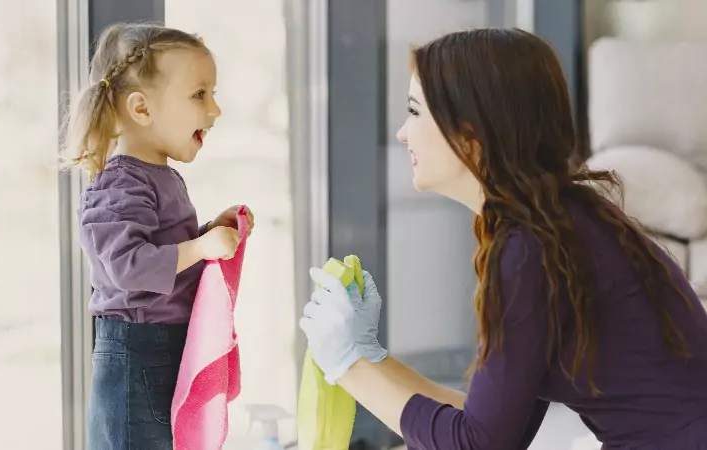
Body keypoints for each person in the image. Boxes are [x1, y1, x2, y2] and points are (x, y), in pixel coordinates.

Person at [299, 28, 707, 449]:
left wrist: (347, 363)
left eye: (415, 111)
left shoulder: (530, 251)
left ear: (471, 135)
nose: (403, 133)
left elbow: (478, 445)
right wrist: (367, 357)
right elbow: (488, 426)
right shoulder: (559, 224)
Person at [63, 23, 254, 449]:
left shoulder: (159, 176)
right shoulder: (119, 185)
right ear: (142, 109)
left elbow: (163, 254)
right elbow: (128, 269)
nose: (215, 110)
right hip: (136, 356)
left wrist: (207, 234)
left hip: (162, 349)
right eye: (200, 94)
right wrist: (201, 247)